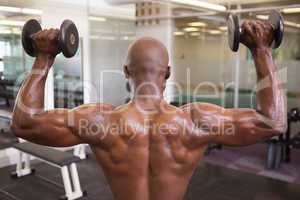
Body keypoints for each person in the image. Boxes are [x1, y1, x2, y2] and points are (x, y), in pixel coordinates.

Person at [11, 20, 286, 200]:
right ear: (167, 73)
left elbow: (24, 123)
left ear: (125, 72)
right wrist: (261, 50)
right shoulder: (195, 121)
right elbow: (272, 121)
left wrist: (44, 57)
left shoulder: (100, 121)